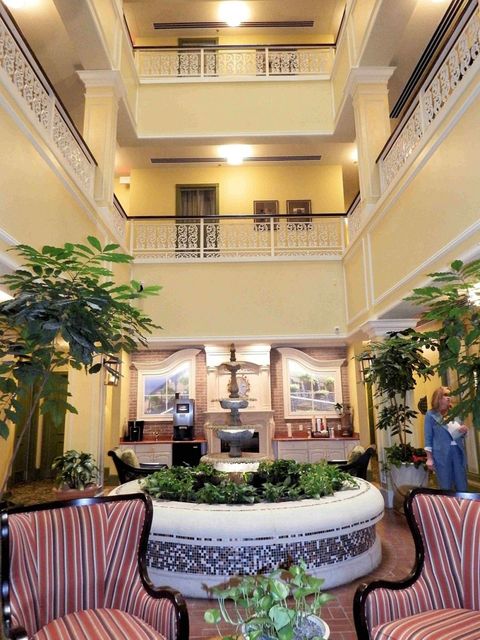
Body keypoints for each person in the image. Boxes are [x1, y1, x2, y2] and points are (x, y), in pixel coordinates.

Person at [424, 386, 469, 491]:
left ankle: (462, 502)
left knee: (462, 485)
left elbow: (461, 433)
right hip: (441, 454)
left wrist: (464, 430)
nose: (449, 397)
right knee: (445, 486)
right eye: (445, 395)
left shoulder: (456, 412)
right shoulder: (430, 414)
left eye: (450, 395)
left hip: (457, 451)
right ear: (438, 398)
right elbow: (428, 437)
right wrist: (429, 458)